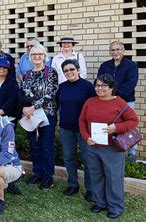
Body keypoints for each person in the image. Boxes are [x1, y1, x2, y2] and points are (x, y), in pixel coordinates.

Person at [79, 74, 139, 219]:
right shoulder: (90, 102)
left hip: (112, 148)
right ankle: (100, 203)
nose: (99, 88)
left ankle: (115, 206)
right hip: (93, 147)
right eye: (97, 85)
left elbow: (134, 120)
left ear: (112, 88)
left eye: (103, 86)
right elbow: (82, 121)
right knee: (96, 175)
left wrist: (117, 128)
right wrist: (87, 138)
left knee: (113, 178)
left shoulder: (120, 103)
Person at [19, 44, 58, 190]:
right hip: (31, 116)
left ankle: (48, 177)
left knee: (46, 146)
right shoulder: (27, 74)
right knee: (34, 145)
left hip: (47, 115)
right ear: (30, 57)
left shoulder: (51, 72)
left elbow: (50, 94)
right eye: (34, 54)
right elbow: (25, 92)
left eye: (39, 54)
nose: (37, 56)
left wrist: (33, 107)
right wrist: (26, 108)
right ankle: (38, 173)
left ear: (44, 56)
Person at [56, 59, 96, 200]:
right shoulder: (62, 87)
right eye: (66, 70)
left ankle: (90, 188)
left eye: (72, 69)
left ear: (78, 70)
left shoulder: (87, 87)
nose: (69, 72)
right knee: (68, 157)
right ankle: (73, 184)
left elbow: (94, 107)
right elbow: (56, 105)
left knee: (87, 159)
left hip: (84, 130)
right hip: (66, 128)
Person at [98, 41, 139, 163]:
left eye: (118, 49)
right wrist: (108, 96)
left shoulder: (131, 65)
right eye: (113, 50)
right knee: (111, 127)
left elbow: (131, 84)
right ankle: (113, 152)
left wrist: (114, 95)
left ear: (123, 50)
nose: (115, 52)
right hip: (107, 102)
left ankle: (131, 155)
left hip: (126, 102)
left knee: (128, 126)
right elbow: (100, 81)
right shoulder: (105, 65)